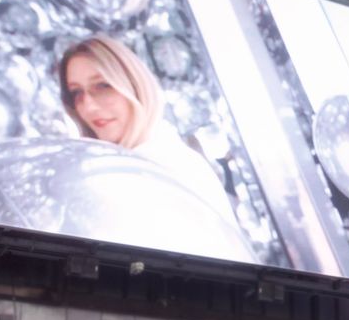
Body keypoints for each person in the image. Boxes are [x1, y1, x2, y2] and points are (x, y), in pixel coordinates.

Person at [57, 35, 256, 263]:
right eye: (77, 93)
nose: (89, 106)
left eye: (103, 86)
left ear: (134, 85)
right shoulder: (118, 167)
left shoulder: (163, 166)